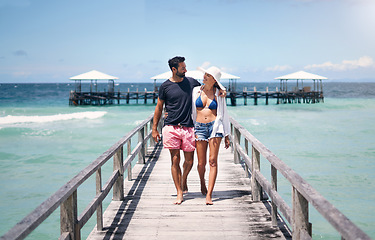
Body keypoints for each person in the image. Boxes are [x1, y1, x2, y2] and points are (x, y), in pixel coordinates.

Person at [152, 56, 201, 205]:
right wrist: (154, 129)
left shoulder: (192, 82)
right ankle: (179, 191)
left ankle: (183, 179)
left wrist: (221, 92)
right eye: (183, 67)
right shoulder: (165, 86)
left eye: (185, 67)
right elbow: (159, 107)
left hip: (189, 127)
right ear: (174, 69)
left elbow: (208, 90)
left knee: (189, 161)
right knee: (175, 160)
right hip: (171, 126)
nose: (185, 69)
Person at [191, 66, 231, 205]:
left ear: (213, 79)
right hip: (199, 127)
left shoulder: (219, 93)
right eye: (205, 74)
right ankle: (202, 182)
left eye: (208, 75)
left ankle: (209, 194)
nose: (204, 77)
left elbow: (224, 114)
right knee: (201, 163)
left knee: (212, 161)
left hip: (215, 127)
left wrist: (227, 134)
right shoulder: (196, 90)